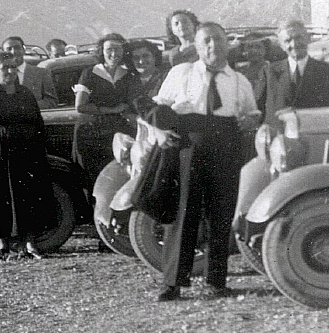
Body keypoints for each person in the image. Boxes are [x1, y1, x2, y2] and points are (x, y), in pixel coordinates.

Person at [151, 22, 260, 300]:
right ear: (197, 47)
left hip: (226, 147)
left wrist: (250, 120)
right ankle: (172, 282)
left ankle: (216, 280)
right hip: (189, 145)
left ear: (227, 45)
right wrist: (160, 132)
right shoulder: (181, 73)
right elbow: (159, 109)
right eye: (206, 41)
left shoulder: (239, 80)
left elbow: (252, 115)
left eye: (218, 41)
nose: (213, 46)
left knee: (221, 214)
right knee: (183, 211)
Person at [0, 51, 59, 260]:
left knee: (28, 196)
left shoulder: (25, 92)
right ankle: (2, 244)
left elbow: (37, 121)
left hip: (29, 151)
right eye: (4, 68)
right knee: (2, 196)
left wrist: (42, 147)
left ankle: (29, 243)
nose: (9, 71)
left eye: (12, 67)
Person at [73, 33, 140, 191]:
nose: (114, 54)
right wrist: (112, 110)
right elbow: (80, 106)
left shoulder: (129, 75)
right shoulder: (90, 73)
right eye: (109, 49)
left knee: (120, 177)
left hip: (119, 133)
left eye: (118, 49)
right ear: (101, 51)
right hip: (92, 132)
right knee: (95, 179)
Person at [262, 21, 329, 127]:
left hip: (314, 134)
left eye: (298, 38)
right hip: (280, 136)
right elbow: (260, 110)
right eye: (287, 40)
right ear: (281, 46)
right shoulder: (269, 72)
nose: (294, 44)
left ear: (308, 39)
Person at [1, 36, 58, 109]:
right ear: (3, 53)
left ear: (23, 50)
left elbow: (52, 102)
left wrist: (28, 106)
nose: (13, 52)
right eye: (9, 49)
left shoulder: (41, 73)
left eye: (17, 48)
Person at [127, 39, 168, 115]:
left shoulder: (166, 77)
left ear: (154, 57)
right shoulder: (128, 80)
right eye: (136, 58)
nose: (141, 61)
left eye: (145, 56)